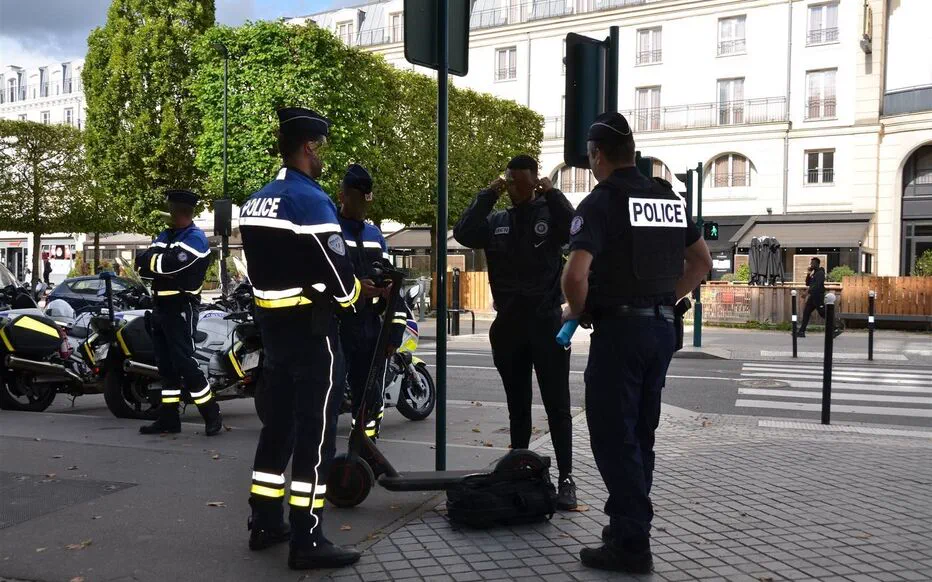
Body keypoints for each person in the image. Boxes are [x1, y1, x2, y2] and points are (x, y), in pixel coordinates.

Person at [561, 112, 712, 573]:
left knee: (612, 435)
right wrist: (664, 298)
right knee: (640, 434)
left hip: (621, 333)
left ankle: (631, 540)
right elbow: (702, 263)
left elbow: (574, 274)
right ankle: (627, 528)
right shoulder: (667, 196)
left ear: (596, 156)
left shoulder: (600, 203)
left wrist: (579, 309)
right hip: (662, 329)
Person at [238, 107, 362, 570]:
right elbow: (339, 274)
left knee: (278, 431)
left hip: (275, 335)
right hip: (314, 338)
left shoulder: (258, 200)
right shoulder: (309, 200)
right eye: (321, 146)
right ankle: (307, 538)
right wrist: (353, 296)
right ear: (309, 146)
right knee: (315, 436)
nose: (324, 155)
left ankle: (265, 520)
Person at [453, 154, 577, 510]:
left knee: (558, 406)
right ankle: (520, 472)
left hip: (546, 325)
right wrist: (488, 193)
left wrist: (552, 193)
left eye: (523, 184)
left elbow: (573, 228)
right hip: (509, 326)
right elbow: (464, 232)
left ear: (535, 182)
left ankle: (567, 478)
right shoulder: (497, 221)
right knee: (517, 407)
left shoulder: (549, 217)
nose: (516, 190)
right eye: (510, 184)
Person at [135, 190, 222, 436]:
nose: (166, 212)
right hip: (160, 306)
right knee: (166, 367)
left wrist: (157, 263)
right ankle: (169, 418)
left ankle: (211, 413)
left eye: (169, 208)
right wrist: (159, 264)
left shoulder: (195, 238)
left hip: (181, 306)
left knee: (185, 362)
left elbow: (171, 264)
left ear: (178, 211)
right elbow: (143, 263)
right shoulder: (167, 235)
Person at [337, 164, 407, 441]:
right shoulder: (329, 229)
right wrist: (357, 289)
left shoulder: (374, 234)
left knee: (370, 392)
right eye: (355, 200)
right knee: (330, 392)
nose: (362, 207)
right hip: (336, 323)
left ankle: (366, 445)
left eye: (365, 201)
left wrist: (394, 331)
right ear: (342, 197)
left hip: (368, 325)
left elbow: (393, 284)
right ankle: (327, 455)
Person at [796, 257, 842, 337]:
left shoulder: (820, 273)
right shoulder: (814, 273)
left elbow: (816, 285)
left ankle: (835, 328)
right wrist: (808, 273)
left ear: (817, 264)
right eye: (811, 263)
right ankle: (801, 332)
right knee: (806, 312)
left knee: (823, 313)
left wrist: (807, 292)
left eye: (813, 263)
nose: (811, 264)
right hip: (813, 297)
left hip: (818, 296)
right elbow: (807, 283)